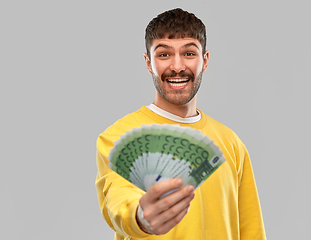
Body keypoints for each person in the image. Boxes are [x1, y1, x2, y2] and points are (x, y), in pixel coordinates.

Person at [96, 8, 266, 240]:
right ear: (148, 63)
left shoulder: (232, 143)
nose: (177, 66)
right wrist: (140, 217)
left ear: (205, 61)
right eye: (164, 54)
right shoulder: (117, 136)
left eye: (189, 53)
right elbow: (117, 199)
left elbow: (251, 232)